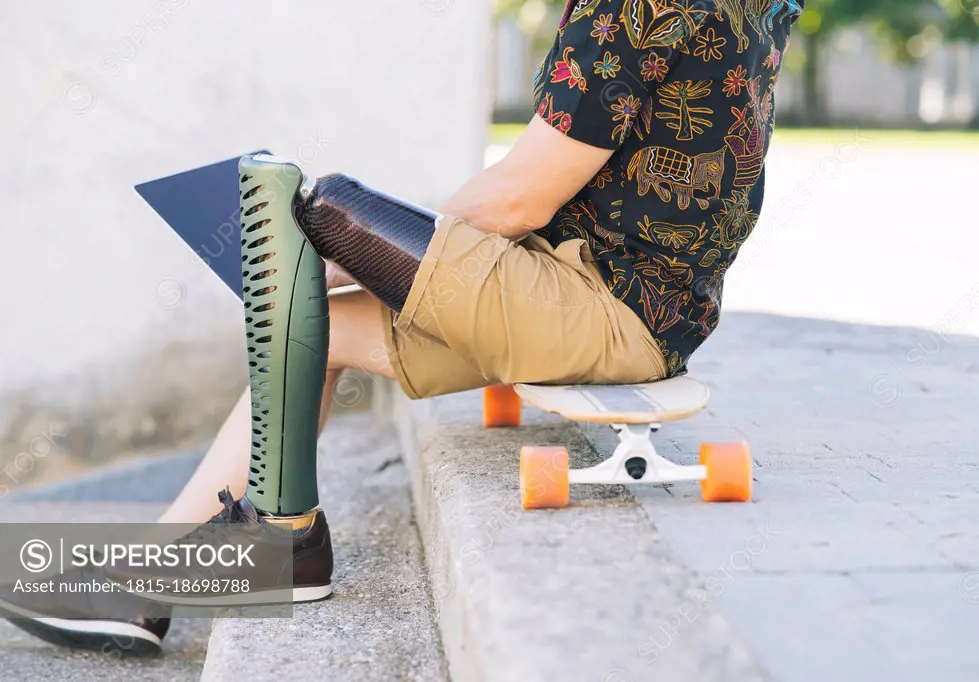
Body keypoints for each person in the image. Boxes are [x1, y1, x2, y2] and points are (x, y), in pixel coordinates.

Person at [2, 0, 803, 655]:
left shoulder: (630, 10)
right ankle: (259, 551)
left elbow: (522, 198)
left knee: (324, 214)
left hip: (599, 306)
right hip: (631, 302)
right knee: (320, 323)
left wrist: (333, 249)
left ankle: (168, 576)